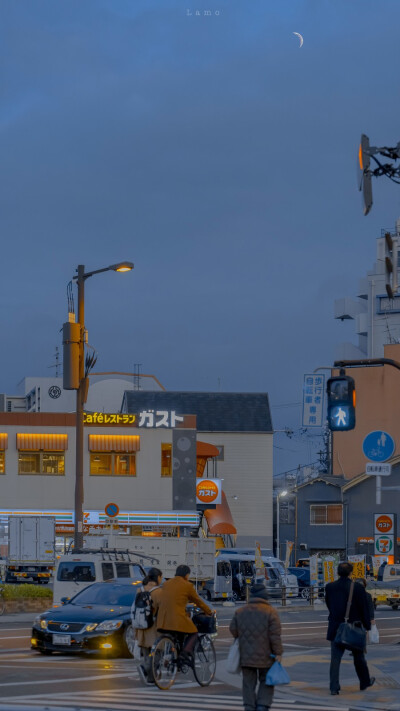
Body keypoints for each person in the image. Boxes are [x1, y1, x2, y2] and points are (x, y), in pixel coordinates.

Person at [229, 578, 283, 711]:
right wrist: (278, 652)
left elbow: (233, 630)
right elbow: (275, 635)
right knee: (266, 681)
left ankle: (249, 706)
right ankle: (262, 706)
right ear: (265, 596)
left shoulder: (240, 611)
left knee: (248, 683)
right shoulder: (271, 612)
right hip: (267, 656)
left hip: (246, 655)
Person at [325, 562, 374, 695]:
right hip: (354, 627)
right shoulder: (357, 588)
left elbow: (329, 605)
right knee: (358, 657)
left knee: (335, 658)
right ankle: (364, 682)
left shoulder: (329, 587)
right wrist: (367, 626)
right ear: (351, 572)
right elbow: (364, 608)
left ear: (337, 572)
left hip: (336, 626)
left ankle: (334, 687)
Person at [157, 564, 213, 657]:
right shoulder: (187, 585)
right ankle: (185, 652)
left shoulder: (166, 584)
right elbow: (198, 601)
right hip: (177, 619)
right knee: (193, 632)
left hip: (163, 620)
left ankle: (175, 658)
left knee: (177, 636)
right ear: (187, 575)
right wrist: (209, 611)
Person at [135, 567, 163, 685]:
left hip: (141, 626)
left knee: (146, 652)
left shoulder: (140, 590)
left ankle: (150, 675)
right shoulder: (158, 592)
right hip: (154, 627)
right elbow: (161, 609)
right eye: (161, 577)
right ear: (157, 578)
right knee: (156, 652)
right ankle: (148, 672)